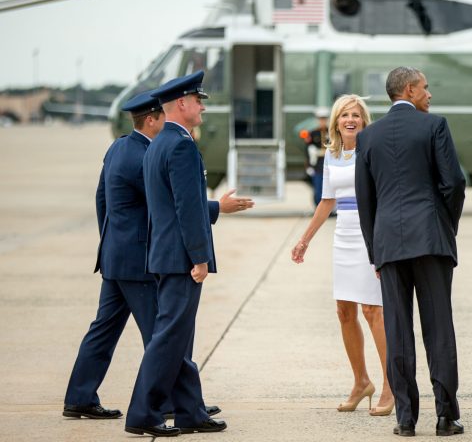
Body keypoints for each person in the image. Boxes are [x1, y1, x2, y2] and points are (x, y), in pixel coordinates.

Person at [63, 91, 253, 423]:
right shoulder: (143, 156)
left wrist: (110, 242)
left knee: (104, 330)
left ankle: (80, 396)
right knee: (165, 335)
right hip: (138, 261)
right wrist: (218, 207)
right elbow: (168, 204)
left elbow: (101, 200)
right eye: (161, 117)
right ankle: (175, 404)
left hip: (115, 257)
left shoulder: (118, 148)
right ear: (151, 119)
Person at [355, 67, 466, 437]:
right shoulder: (434, 126)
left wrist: (375, 251)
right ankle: (446, 417)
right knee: (438, 328)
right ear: (409, 90)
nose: (429, 95)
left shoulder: (368, 137)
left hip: (388, 243)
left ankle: (405, 419)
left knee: (398, 330)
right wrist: (445, 226)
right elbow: (454, 183)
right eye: (425, 88)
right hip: (431, 240)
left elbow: (365, 200)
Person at [125, 71, 235, 437]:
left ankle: (190, 411)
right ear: (182, 104)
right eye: (198, 100)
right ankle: (143, 413)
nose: (203, 106)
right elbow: (187, 208)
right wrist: (200, 257)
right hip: (180, 258)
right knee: (169, 337)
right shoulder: (182, 145)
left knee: (178, 334)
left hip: (165, 255)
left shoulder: (159, 143)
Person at [291, 94, 394, 415]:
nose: (350, 119)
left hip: (369, 237)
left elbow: (386, 197)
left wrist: (382, 242)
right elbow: (327, 201)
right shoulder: (332, 154)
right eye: (344, 115)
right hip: (343, 238)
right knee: (344, 311)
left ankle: (391, 386)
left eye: (356, 115)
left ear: (364, 120)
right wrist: (304, 240)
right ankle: (361, 381)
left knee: (373, 311)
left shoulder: (374, 151)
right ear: (335, 122)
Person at [303, 106, 330, 206]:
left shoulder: (331, 132)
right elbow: (308, 150)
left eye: (324, 118)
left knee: (329, 188)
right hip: (317, 165)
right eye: (321, 118)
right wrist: (309, 166)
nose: (323, 120)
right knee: (318, 188)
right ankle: (318, 207)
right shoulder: (312, 133)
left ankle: (330, 210)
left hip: (329, 164)